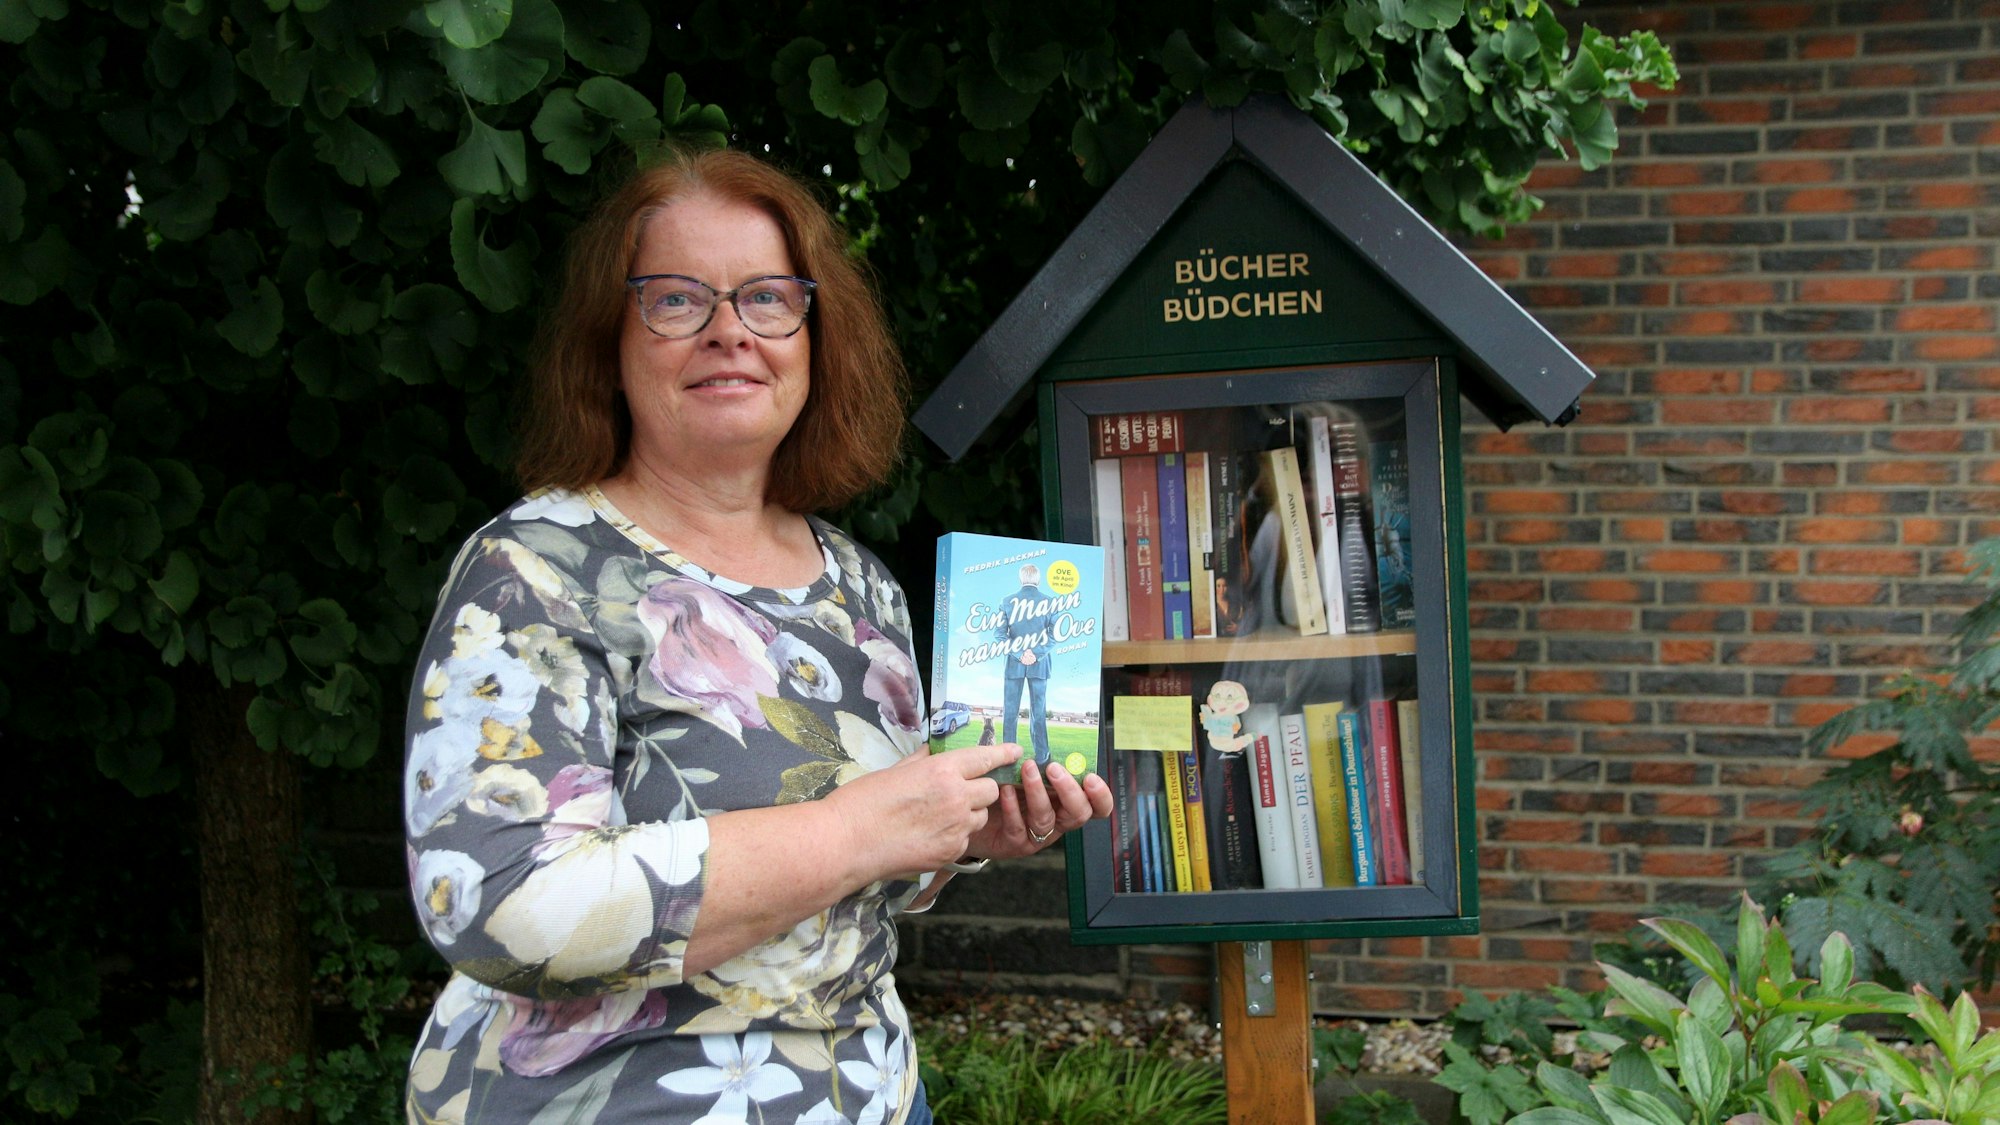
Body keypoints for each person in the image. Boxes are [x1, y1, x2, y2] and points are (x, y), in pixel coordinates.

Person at [401, 148, 1114, 1125]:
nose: (729, 330)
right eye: (676, 299)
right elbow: (494, 904)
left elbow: (867, 881)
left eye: (767, 298)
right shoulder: (533, 570)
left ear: (816, 339)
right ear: (610, 339)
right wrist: (859, 828)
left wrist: (956, 837)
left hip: (870, 1095)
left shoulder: (858, 586)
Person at [995, 562, 1054, 767]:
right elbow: (1055, 636)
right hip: (1040, 665)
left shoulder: (1006, 601)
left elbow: (999, 635)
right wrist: (1035, 654)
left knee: (1010, 712)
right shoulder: (1050, 602)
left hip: (1014, 664)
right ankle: (1043, 756)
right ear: (1038, 579)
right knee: (1039, 713)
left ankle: (1008, 756)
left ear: (1021, 579)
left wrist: (1020, 654)